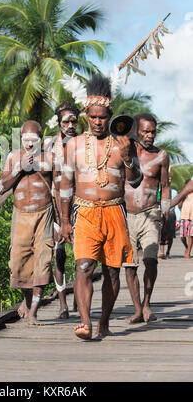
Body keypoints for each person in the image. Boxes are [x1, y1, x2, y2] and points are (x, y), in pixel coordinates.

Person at [58, 74, 142, 340]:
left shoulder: (123, 144)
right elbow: (64, 186)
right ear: (86, 114)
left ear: (110, 115)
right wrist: (64, 221)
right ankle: (85, 322)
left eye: (102, 117)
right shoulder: (73, 145)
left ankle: (104, 321)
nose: (97, 122)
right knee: (83, 266)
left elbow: (136, 181)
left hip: (115, 211)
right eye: (92, 117)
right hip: (84, 212)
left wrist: (128, 157)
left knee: (113, 273)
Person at [0, 120, 59, 325]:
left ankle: (33, 311)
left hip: (45, 213)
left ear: (40, 139)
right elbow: (1, 187)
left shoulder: (50, 158)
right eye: (26, 139)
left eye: (34, 140)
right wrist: (18, 169)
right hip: (21, 215)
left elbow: (59, 191)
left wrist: (61, 222)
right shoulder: (13, 156)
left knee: (43, 262)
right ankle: (26, 299)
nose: (29, 144)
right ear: (20, 139)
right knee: (18, 263)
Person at [124, 113, 171, 324]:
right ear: (136, 131)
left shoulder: (161, 156)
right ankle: (136, 309)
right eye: (146, 131)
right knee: (130, 265)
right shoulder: (125, 153)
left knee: (151, 260)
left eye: (153, 131)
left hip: (150, 213)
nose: (150, 135)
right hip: (126, 215)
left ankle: (147, 304)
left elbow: (165, 187)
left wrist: (166, 212)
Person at [44, 100, 80, 319]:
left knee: (81, 256)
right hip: (56, 206)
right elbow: (44, 176)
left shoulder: (84, 144)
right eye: (66, 121)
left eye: (74, 121)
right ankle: (63, 304)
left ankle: (79, 297)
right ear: (58, 123)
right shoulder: (49, 146)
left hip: (79, 205)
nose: (70, 125)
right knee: (58, 255)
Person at [171, 178, 193, 259]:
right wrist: (183, 197)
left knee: (191, 236)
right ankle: (187, 247)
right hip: (184, 217)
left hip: (192, 217)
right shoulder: (184, 194)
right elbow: (179, 206)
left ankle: (188, 252)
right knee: (182, 237)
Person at [159, 167, 176, 259]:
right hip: (161, 213)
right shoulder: (159, 191)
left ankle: (168, 252)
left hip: (171, 214)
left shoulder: (174, 191)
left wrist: (179, 219)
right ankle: (161, 252)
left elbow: (176, 206)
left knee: (170, 235)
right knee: (160, 233)